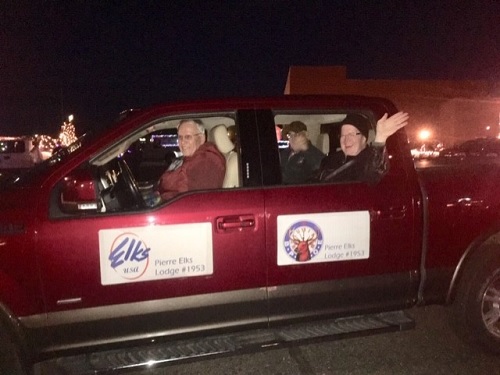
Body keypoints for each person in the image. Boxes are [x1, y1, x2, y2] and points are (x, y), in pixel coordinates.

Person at [317, 111, 409, 184]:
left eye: (351, 134)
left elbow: (375, 174)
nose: (346, 139)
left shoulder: (371, 159)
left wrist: (380, 138)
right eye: (342, 135)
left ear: (364, 138)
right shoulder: (329, 161)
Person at [157, 119, 226, 201]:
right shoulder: (193, 156)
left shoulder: (206, 161)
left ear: (201, 138)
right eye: (180, 137)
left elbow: (197, 201)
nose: (182, 142)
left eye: (188, 137)